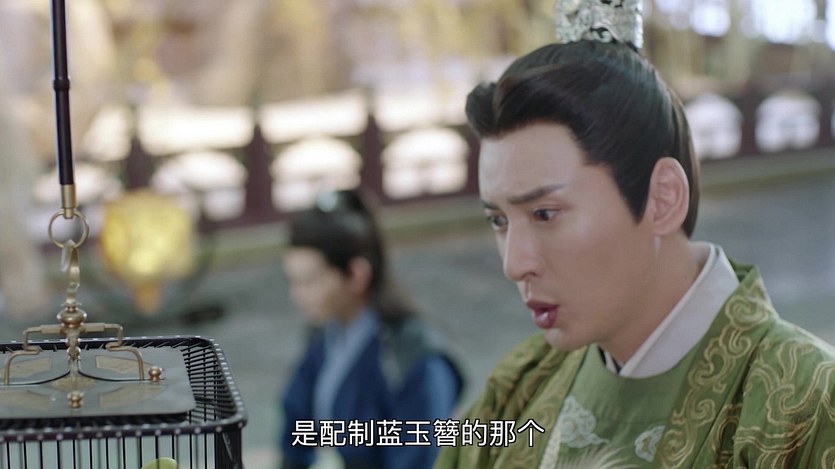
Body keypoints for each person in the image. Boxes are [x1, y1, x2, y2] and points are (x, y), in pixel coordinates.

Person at [435, 0, 835, 467]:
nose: (514, 264)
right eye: (499, 221)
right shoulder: (520, 385)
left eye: (545, 214)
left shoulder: (806, 406)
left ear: (662, 198)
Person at [279, 188, 464, 469]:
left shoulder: (413, 360)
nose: (297, 295)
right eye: (293, 281)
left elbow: (420, 457)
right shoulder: (325, 336)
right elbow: (296, 428)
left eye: (309, 281)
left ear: (356, 275)